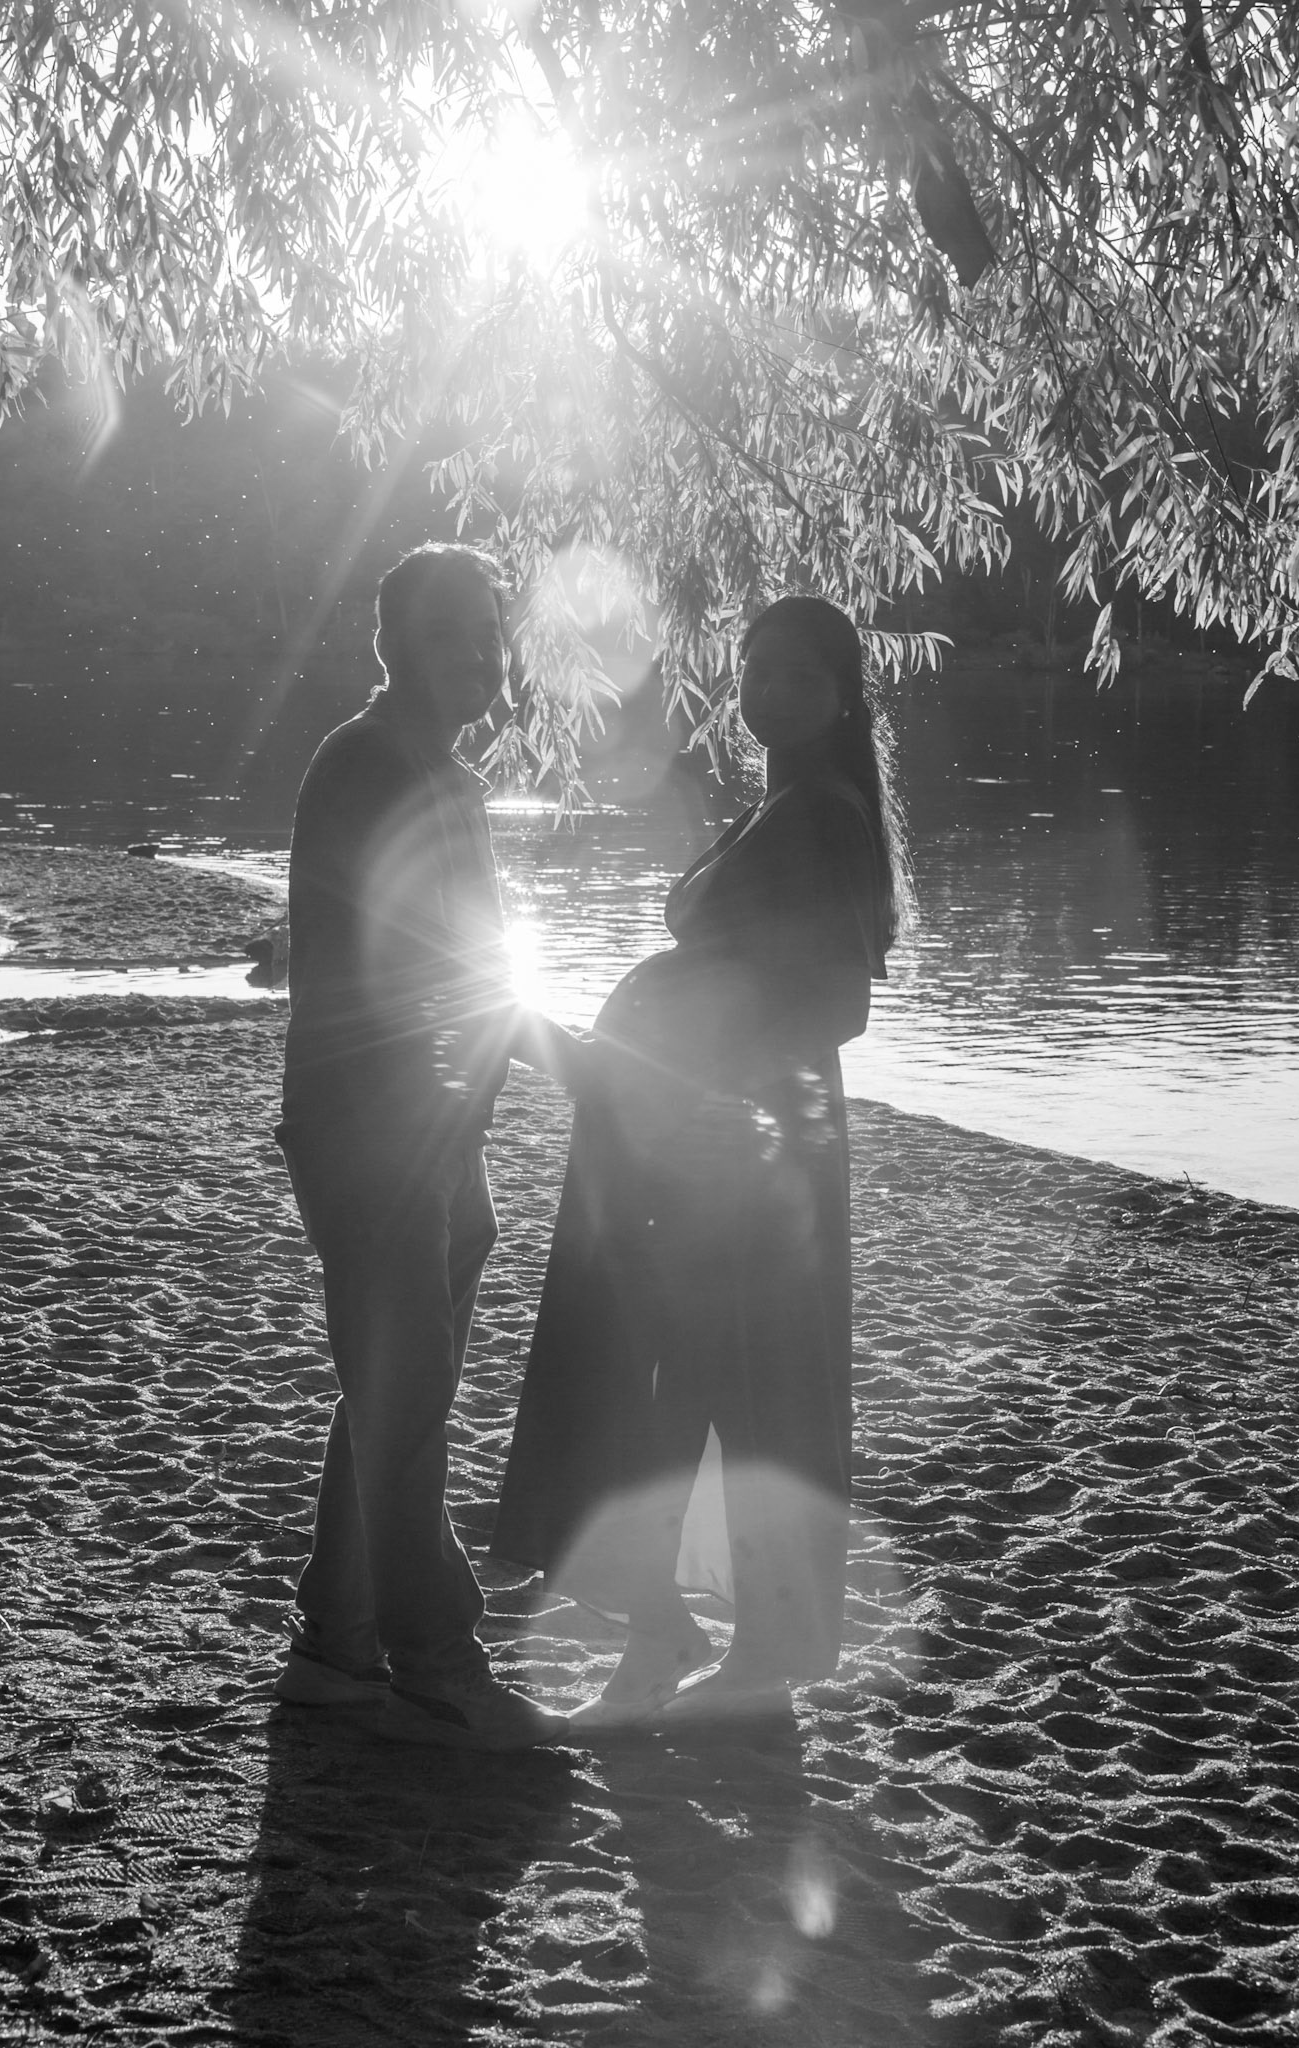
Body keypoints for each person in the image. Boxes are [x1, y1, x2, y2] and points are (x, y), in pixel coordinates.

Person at [491, 594, 899, 1725]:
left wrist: (717, 1096)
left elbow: (838, 1003)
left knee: (720, 1380)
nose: (769, 690)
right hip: (707, 1141)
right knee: (696, 1379)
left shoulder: (821, 814)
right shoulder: (784, 804)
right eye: (756, 668)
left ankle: (721, 1647)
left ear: (842, 695)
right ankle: (684, 1640)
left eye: (798, 674)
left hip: (741, 1149)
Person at [272, 543, 581, 1750]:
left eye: (490, 631)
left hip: (443, 1129)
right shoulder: (364, 764)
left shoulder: (449, 776)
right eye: (450, 629)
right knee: (404, 1399)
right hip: (374, 1128)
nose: (480, 653)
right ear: (393, 642)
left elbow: (482, 960)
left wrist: (540, 1068)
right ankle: (437, 1668)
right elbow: (407, 960)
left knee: (396, 1385)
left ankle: (336, 1642)